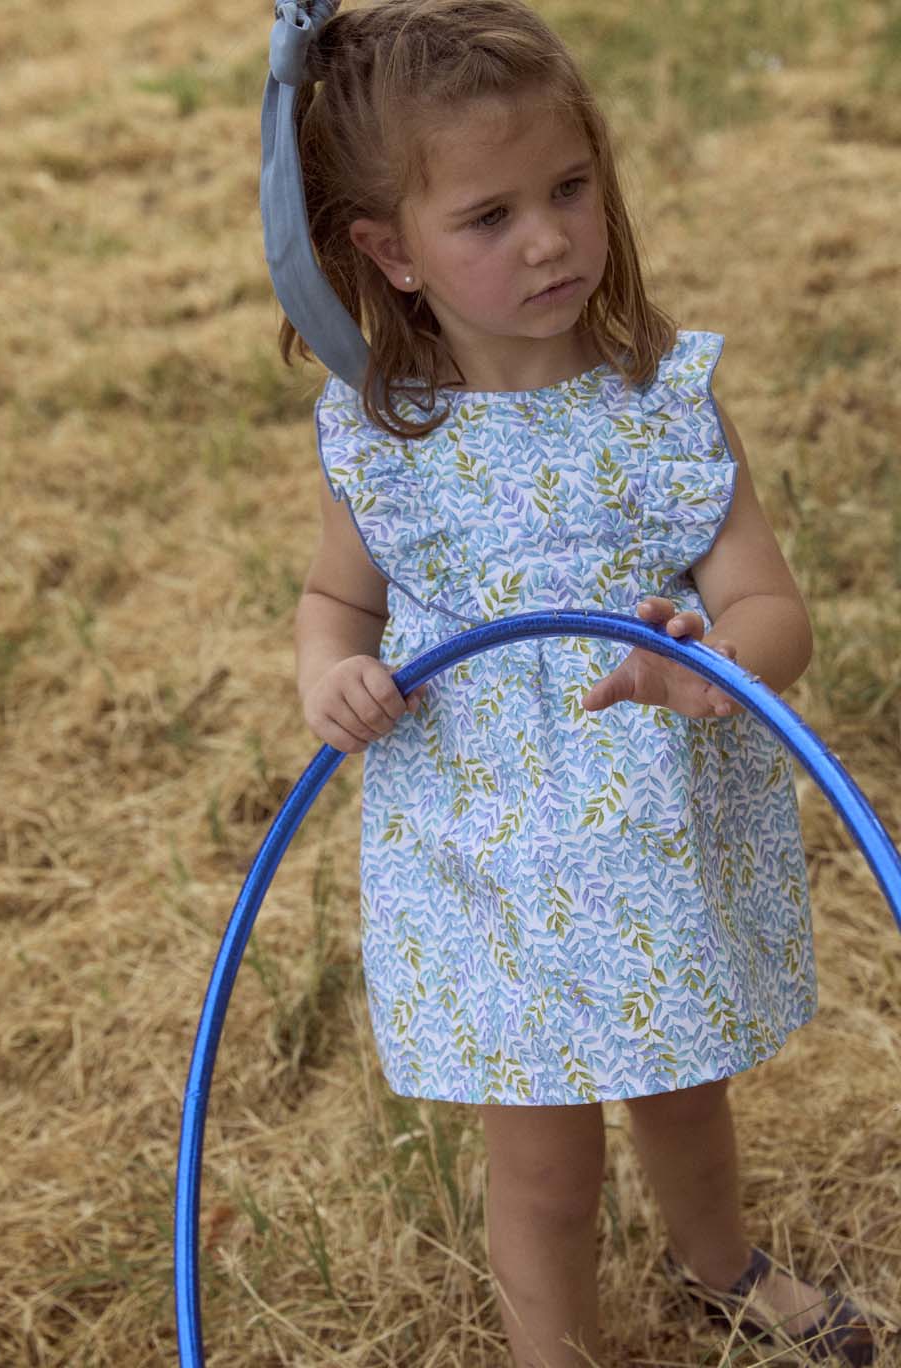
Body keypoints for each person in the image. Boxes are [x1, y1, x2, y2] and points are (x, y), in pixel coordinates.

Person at [279, 1, 880, 1362]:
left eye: (568, 190)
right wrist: (336, 678)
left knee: (683, 1093)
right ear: (393, 253)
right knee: (543, 1162)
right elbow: (335, 603)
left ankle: (719, 1261)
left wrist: (719, 669)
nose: (547, 236)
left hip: (654, 839)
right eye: (489, 216)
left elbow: (774, 607)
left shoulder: (661, 399)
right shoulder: (390, 439)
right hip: (489, 855)